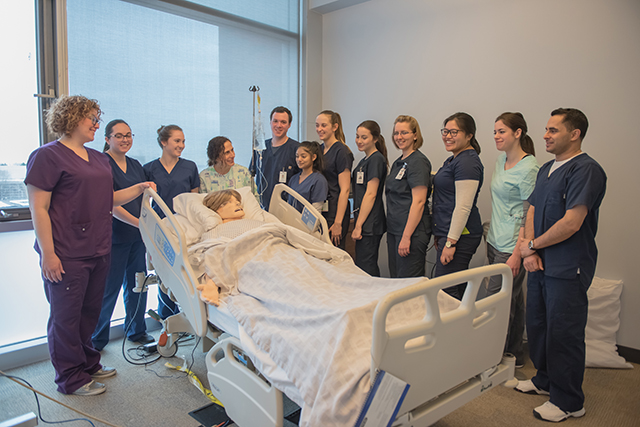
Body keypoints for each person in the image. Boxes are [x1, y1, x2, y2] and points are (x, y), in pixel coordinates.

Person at [25, 95, 156, 396]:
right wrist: (48, 254)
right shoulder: (47, 156)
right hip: (66, 251)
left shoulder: (98, 159)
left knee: (89, 313)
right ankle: (70, 379)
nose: (97, 123)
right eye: (92, 118)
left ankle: (88, 362)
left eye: (98, 117)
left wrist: (138, 188)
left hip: (98, 247)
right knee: (66, 317)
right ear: (71, 118)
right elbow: (39, 209)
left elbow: (107, 199)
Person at [516, 108, 606, 422]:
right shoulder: (546, 170)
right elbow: (531, 209)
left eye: (553, 130)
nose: (545, 135)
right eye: (546, 129)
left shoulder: (586, 170)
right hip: (539, 262)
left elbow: (572, 223)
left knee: (563, 332)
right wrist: (529, 250)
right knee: (538, 324)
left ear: (575, 133)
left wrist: (532, 245)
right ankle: (544, 380)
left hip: (568, 266)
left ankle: (569, 401)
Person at [480, 112, 539, 367]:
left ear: (518, 133)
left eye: (502, 131)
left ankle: (492, 358)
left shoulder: (529, 168)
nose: (496, 136)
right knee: (513, 298)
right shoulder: (500, 160)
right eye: (495, 131)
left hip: (512, 245)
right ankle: (514, 353)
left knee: (497, 303)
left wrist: (518, 253)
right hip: (494, 239)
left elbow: (530, 214)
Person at [92, 120, 154, 352]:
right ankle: (96, 339)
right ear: (107, 139)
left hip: (137, 238)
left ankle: (136, 330)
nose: (125, 139)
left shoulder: (136, 165)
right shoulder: (101, 163)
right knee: (108, 288)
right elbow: (109, 202)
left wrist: (145, 226)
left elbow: (143, 198)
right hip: (114, 236)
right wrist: (138, 223)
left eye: (128, 135)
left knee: (138, 285)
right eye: (119, 135)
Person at [144, 125, 200, 319]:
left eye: (183, 141)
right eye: (177, 141)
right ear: (163, 142)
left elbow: (194, 200)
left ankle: (189, 317)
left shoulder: (190, 167)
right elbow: (144, 202)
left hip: (185, 228)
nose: (182, 145)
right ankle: (168, 320)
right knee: (164, 274)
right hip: (161, 228)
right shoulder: (150, 169)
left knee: (185, 272)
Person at [432, 112, 484, 299]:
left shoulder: (468, 161)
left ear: (469, 135)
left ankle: (453, 328)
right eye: (445, 131)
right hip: (449, 232)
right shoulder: (454, 159)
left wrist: (450, 242)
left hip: (462, 235)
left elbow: (463, 206)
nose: (447, 136)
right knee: (453, 287)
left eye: (454, 132)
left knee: (446, 291)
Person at [385, 115, 432, 278]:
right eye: (396, 133)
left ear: (415, 135)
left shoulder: (418, 162)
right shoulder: (399, 162)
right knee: (396, 282)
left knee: (409, 286)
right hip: (394, 230)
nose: (399, 137)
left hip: (411, 232)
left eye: (404, 133)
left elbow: (419, 202)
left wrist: (406, 237)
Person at [351, 120, 388, 276]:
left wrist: (358, 225)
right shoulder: (364, 160)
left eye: (364, 137)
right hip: (364, 220)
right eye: (357, 136)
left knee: (367, 267)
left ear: (375, 138)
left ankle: (375, 299)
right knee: (362, 264)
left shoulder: (376, 159)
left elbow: (371, 194)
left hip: (370, 223)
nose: (359, 141)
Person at [316, 110, 354, 249]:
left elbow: (345, 190)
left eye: (324, 125)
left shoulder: (341, 152)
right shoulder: (319, 150)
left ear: (335, 127)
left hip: (335, 211)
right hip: (322, 210)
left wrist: (338, 222)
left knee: (334, 254)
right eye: (317, 125)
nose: (319, 129)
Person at [250, 106, 299, 209]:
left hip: (286, 208)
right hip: (261, 206)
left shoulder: (297, 150)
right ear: (270, 122)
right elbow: (251, 175)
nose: (278, 125)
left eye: (283, 122)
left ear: (289, 125)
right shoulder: (260, 148)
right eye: (275, 121)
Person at [287, 141, 328, 213]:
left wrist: (301, 224)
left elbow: (316, 211)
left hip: (306, 223)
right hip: (290, 222)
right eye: (297, 156)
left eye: (303, 156)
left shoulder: (318, 180)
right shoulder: (293, 179)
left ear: (313, 157)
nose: (299, 159)